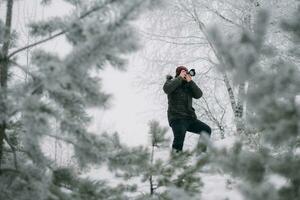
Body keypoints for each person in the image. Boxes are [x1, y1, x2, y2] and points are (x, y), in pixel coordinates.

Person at [163, 66, 211, 152]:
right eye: (183, 72)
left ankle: (201, 154)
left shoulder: (188, 86)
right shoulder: (171, 82)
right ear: (178, 74)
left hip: (190, 118)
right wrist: (180, 77)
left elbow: (199, 95)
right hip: (177, 118)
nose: (185, 74)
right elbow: (167, 89)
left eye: (186, 72)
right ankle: (176, 160)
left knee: (206, 130)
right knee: (179, 137)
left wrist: (191, 81)